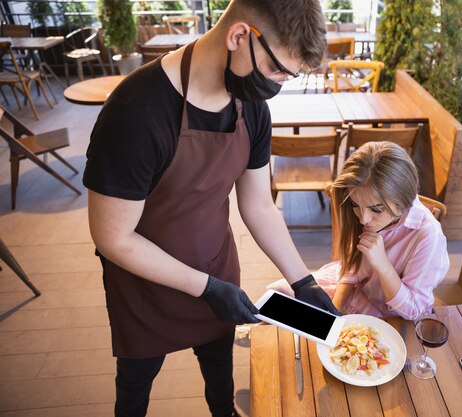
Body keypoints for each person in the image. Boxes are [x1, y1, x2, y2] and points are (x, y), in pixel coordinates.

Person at [83, 1, 338, 416]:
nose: (277, 85)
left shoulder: (251, 105)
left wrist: (302, 281)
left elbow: (257, 205)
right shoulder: (136, 113)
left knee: (220, 375)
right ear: (239, 36)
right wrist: (204, 287)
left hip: (216, 267)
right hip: (144, 284)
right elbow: (113, 236)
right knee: (135, 385)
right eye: (277, 71)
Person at [269, 141, 450, 321]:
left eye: (376, 209)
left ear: (405, 201)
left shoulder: (429, 236)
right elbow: (351, 267)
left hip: (388, 314)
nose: (363, 219)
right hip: (355, 288)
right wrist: (335, 310)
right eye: (356, 205)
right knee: (276, 297)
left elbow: (414, 309)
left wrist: (382, 263)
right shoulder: (364, 212)